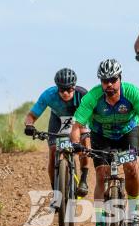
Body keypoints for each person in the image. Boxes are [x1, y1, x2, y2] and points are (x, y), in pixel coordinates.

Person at [68, 59, 139, 226]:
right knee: (102, 174)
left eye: (113, 80)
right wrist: (77, 145)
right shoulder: (92, 97)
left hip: (128, 133)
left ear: (120, 79)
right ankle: (100, 225)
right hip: (102, 135)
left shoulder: (131, 93)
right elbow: (77, 126)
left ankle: (133, 212)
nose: (109, 84)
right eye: (105, 81)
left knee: (132, 167)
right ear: (100, 81)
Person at [24, 68, 91, 198]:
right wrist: (29, 125)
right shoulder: (49, 95)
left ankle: (83, 179)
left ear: (74, 87)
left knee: (84, 142)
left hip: (78, 119)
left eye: (69, 89)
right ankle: (56, 193)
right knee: (53, 151)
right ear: (57, 88)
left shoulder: (83, 95)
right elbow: (31, 116)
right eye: (62, 90)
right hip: (57, 120)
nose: (65, 93)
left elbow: (93, 115)